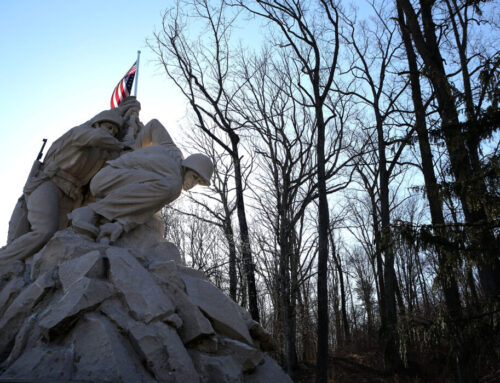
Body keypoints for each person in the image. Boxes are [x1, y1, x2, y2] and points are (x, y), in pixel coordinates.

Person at [0, 108, 127, 266]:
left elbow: (121, 161)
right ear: (97, 124)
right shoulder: (81, 132)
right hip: (49, 184)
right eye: (108, 127)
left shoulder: (104, 153)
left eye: (114, 131)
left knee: (56, 240)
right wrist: (123, 145)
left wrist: (132, 122)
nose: (111, 132)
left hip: (72, 197)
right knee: (44, 231)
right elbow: (96, 138)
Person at [70, 111, 214, 244]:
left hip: (109, 176)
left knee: (155, 221)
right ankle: (94, 212)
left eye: (198, 182)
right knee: (167, 190)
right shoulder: (174, 181)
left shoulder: (172, 150)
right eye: (194, 176)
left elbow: (154, 125)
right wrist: (123, 225)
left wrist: (131, 151)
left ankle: (106, 216)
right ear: (187, 166)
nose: (193, 183)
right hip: (107, 181)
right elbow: (152, 204)